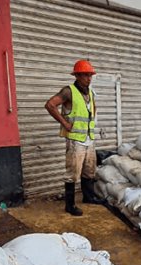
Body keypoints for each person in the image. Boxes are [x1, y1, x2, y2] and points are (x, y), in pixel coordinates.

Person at [44, 60, 106, 216]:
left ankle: (88, 197)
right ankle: (70, 205)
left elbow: (92, 113)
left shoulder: (90, 93)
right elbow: (50, 105)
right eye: (85, 75)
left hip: (89, 138)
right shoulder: (69, 91)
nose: (89, 78)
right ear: (77, 75)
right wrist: (65, 123)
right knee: (72, 173)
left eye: (90, 75)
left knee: (89, 171)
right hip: (75, 140)